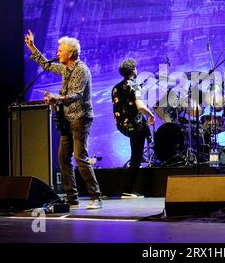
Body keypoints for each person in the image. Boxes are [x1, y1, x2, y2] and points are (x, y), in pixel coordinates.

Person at [24, 30, 102, 210]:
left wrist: (55, 98)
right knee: (63, 158)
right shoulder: (65, 68)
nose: (57, 53)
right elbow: (46, 65)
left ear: (70, 53)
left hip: (81, 118)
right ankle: (72, 198)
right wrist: (32, 46)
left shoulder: (81, 70)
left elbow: (76, 95)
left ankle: (96, 197)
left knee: (80, 157)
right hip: (67, 119)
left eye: (60, 50)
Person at [112, 58, 155, 198]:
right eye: (135, 68)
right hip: (137, 126)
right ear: (133, 71)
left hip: (124, 126)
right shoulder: (135, 86)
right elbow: (140, 107)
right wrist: (151, 115)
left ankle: (127, 189)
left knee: (135, 156)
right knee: (136, 157)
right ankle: (128, 190)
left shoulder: (116, 88)